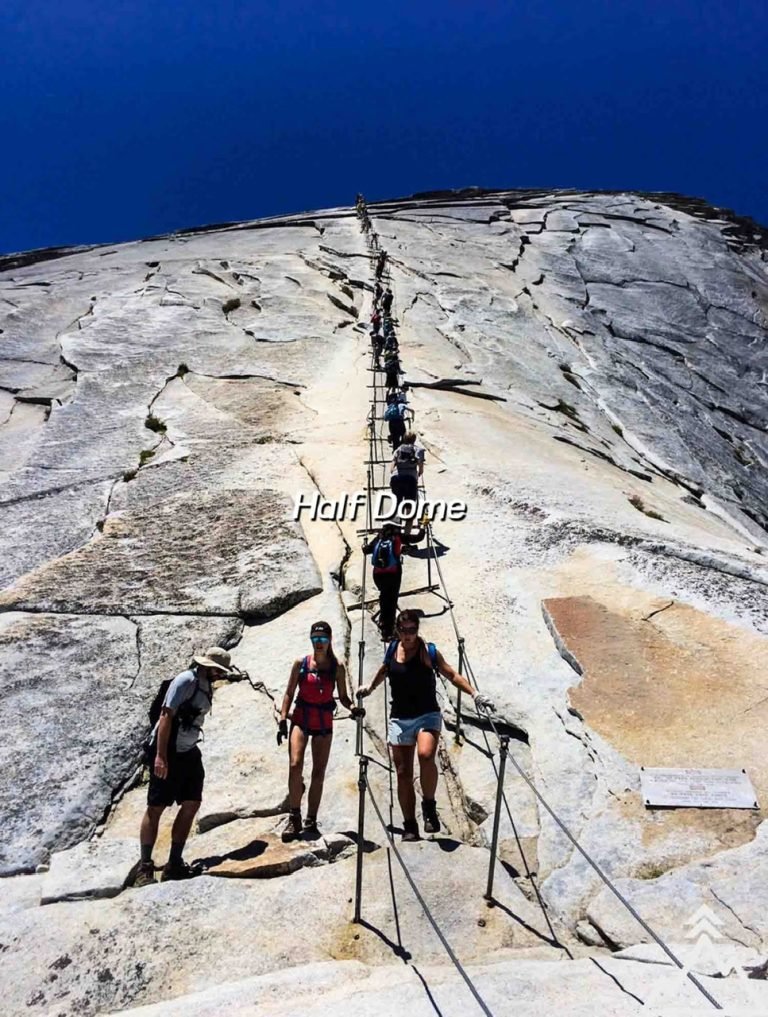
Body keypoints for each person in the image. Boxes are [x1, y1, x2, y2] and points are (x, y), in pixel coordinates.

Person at [358, 611, 495, 840]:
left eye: (413, 630)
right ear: (398, 631)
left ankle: (429, 805)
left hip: (427, 714)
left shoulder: (428, 651)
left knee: (426, 754)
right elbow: (385, 670)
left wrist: (474, 694)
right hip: (400, 718)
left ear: (417, 630)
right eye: (404, 630)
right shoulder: (393, 649)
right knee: (402, 773)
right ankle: (410, 825)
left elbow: (451, 673)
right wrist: (370, 688)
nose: (409, 635)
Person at [130, 646, 236, 887]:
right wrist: (160, 756)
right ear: (207, 666)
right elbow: (166, 716)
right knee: (156, 806)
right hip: (168, 751)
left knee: (192, 802)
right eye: (218, 670)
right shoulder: (185, 680)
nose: (220, 675)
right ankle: (144, 868)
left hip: (188, 751)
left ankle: (174, 864)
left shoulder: (206, 683)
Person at [277, 622, 352, 840]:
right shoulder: (300, 663)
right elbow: (289, 692)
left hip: (323, 722)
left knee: (318, 772)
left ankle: (310, 819)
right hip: (301, 718)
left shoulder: (337, 667)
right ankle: (294, 817)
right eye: (315, 640)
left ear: (330, 640)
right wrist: (283, 718)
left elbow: (344, 697)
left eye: (323, 640)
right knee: (294, 765)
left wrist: (353, 708)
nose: (319, 644)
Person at [362, 523, 403, 640]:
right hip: (394, 574)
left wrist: (364, 545)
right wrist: (423, 529)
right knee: (392, 599)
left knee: (384, 597)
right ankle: (389, 630)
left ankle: (383, 624)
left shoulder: (379, 538)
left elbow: (366, 550)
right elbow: (417, 538)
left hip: (378, 575)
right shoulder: (398, 536)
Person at [390, 431, 424, 537]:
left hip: (396, 478)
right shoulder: (417, 449)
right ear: (414, 439)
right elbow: (420, 465)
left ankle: (395, 535)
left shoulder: (399, 449)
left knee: (397, 505)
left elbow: (392, 466)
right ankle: (406, 537)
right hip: (410, 480)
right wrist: (418, 472)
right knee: (409, 509)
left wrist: (394, 471)